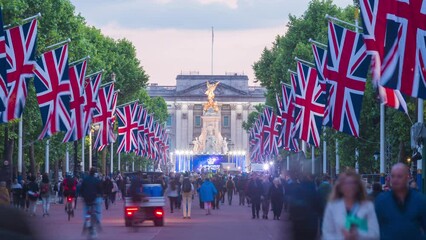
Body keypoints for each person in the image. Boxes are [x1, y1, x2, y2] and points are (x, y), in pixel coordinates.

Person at [322, 170, 380, 240]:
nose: (349, 187)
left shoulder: (368, 206)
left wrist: (358, 234)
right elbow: (327, 233)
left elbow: (375, 233)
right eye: (345, 184)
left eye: (352, 183)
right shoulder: (332, 207)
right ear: (340, 187)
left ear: (358, 186)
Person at [375, 163, 426, 239]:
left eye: (399, 176)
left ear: (407, 178)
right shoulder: (381, 200)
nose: (395, 179)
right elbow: (375, 228)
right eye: (393, 176)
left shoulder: (420, 200)